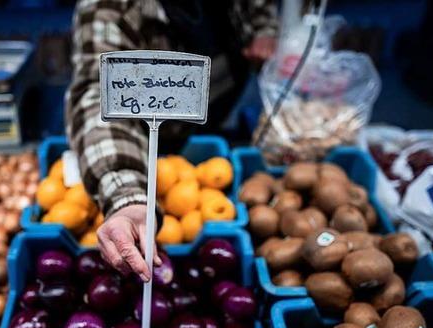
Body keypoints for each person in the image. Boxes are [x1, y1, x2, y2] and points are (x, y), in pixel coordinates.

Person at [66, 0, 278, 282]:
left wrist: (263, 27)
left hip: (217, 104)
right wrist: (128, 199)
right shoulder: (109, 6)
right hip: (140, 139)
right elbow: (100, 96)